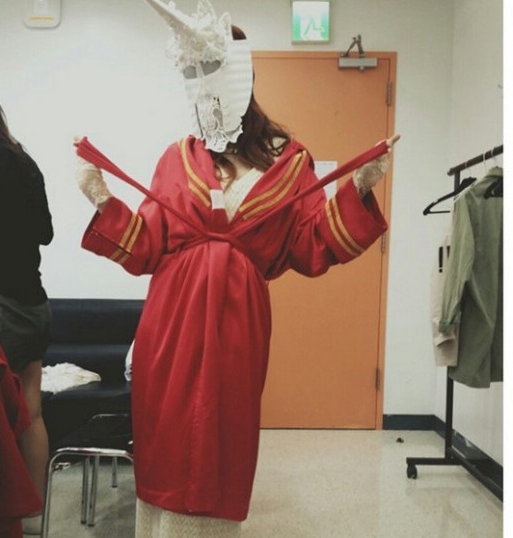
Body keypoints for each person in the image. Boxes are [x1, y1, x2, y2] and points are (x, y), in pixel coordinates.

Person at [74, 1, 400, 536]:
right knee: (166, 436)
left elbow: (310, 242)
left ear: (241, 75)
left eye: (211, 68)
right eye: (191, 72)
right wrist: (101, 198)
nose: (201, 83)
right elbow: (147, 246)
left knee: (221, 435)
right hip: (170, 325)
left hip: (236, 326)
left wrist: (358, 188)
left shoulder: (289, 160)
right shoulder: (177, 157)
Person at [0, 89, 54, 535]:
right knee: (30, 410)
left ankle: (0, 516)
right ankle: (32, 516)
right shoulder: (23, 159)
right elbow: (45, 233)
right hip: (35, 304)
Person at [0, 327, 43, 538]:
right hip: (33, 314)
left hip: (5, 315)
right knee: (31, 412)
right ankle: (32, 513)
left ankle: (24, 508)